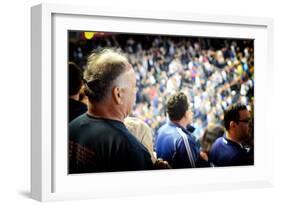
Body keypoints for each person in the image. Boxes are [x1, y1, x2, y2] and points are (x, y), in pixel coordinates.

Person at [69, 48, 153, 173]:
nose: (135, 92)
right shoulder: (131, 151)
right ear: (118, 94)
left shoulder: (71, 127)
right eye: (133, 86)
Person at [155, 92, 200, 169]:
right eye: (190, 109)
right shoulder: (183, 139)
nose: (192, 112)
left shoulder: (161, 130)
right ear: (185, 113)